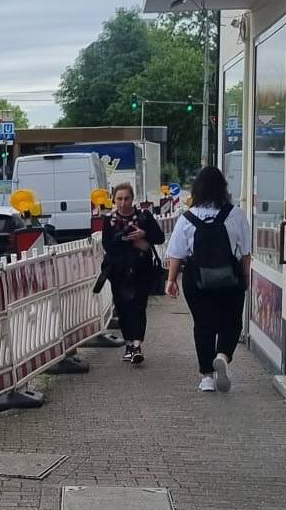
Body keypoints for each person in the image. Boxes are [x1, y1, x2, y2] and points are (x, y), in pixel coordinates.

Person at [165, 167, 252, 393]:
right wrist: (245, 277)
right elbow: (245, 253)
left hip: (196, 279)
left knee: (203, 325)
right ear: (223, 188)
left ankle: (206, 377)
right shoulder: (236, 214)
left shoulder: (187, 218)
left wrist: (171, 280)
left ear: (198, 189)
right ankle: (222, 354)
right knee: (231, 321)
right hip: (229, 278)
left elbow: (176, 253)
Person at [101, 182, 164, 365]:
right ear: (114, 200)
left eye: (126, 198)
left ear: (132, 198)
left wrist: (144, 235)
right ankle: (129, 343)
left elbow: (159, 237)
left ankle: (137, 345)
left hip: (141, 269)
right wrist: (127, 241)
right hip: (119, 272)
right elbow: (107, 246)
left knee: (139, 306)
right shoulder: (109, 221)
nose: (123, 203)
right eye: (119, 199)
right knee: (123, 308)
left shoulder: (144, 217)